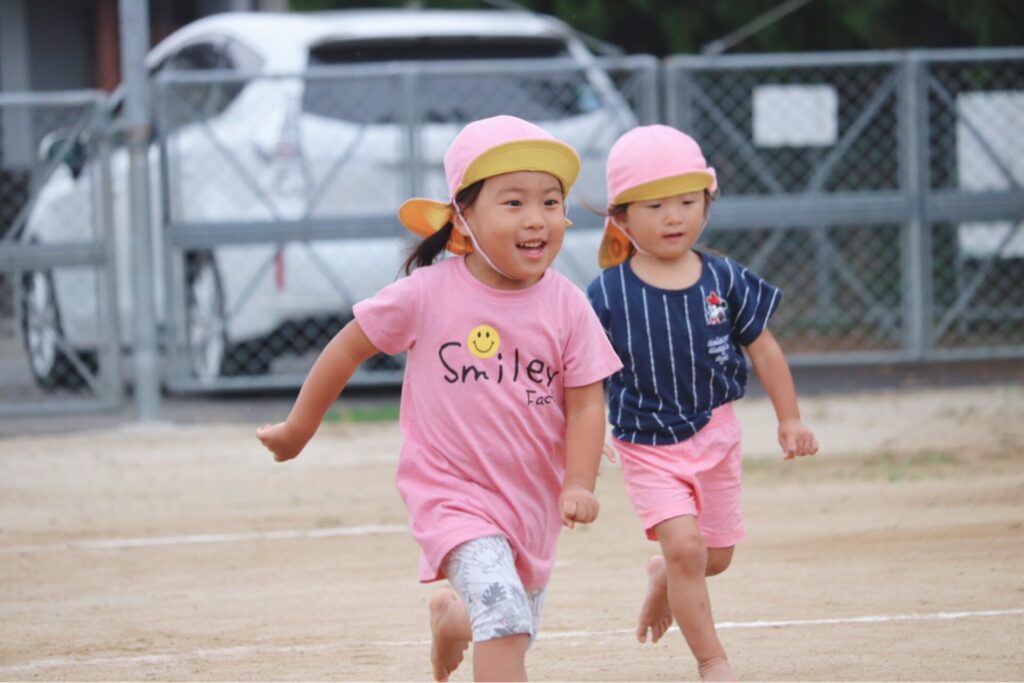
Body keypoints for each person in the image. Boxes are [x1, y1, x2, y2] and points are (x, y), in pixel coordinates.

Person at [257, 115, 622, 682]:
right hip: (450, 494)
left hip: (530, 501)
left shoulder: (568, 305)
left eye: (551, 202)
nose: (536, 219)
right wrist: (298, 429)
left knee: (512, 618)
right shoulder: (426, 294)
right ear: (462, 217)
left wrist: (578, 482)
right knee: (506, 620)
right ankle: (473, 616)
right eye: (513, 202)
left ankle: (452, 618)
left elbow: (586, 403)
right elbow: (347, 347)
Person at [586, 125, 819, 682]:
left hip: (716, 435)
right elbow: (584, 372)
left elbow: (764, 348)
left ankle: (664, 574)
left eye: (688, 202)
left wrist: (789, 418)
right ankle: (713, 661)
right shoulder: (607, 294)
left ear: (707, 204)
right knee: (686, 546)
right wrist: (585, 436)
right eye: (655, 206)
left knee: (714, 557)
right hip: (647, 444)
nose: (674, 217)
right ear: (621, 218)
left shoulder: (725, 278)